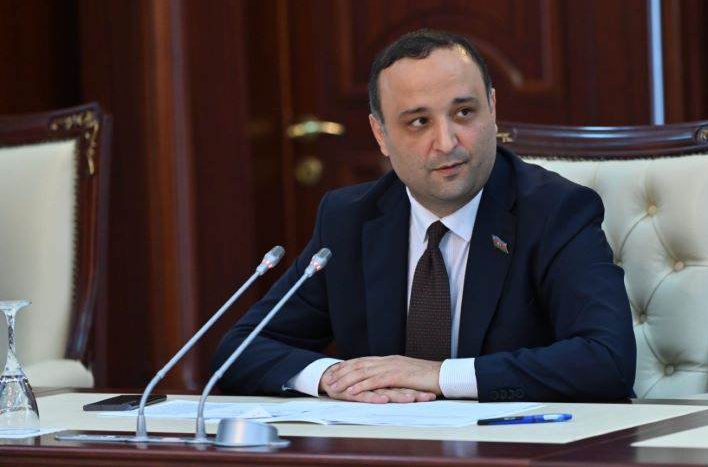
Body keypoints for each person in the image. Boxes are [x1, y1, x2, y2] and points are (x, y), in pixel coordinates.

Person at [212, 29, 636, 403]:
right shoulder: (349, 220)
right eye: (418, 121)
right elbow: (240, 351)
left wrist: (437, 376)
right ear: (380, 134)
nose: (446, 142)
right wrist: (334, 377)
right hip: (386, 449)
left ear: (492, 108)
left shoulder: (556, 211)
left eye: (464, 112)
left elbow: (607, 360)